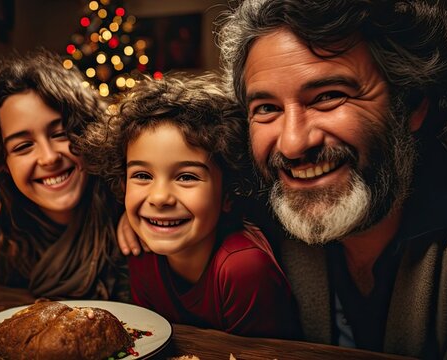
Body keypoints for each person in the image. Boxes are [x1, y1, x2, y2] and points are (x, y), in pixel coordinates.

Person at [206, 0, 447, 357]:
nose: (293, 143)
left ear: (412, 104)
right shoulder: (244, 199)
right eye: (266, 108)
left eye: (329, 97)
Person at [77, 73, 300, 339]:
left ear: (228, 192)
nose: (159, 198)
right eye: (142, 176)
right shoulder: (143, 253)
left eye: (186, 177)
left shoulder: (243, 268)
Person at [0, 49, 128, 300]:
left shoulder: (127, 209)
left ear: (89, 133)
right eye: (23, 146)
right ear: (1, 163)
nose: (49, 157)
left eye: (61, 134)